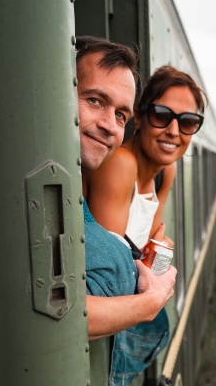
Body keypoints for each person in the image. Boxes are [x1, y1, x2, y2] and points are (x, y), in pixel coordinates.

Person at [76, 36, 177, 346]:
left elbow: (153, 239)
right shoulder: (119, 165)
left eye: (121, 115)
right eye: (94, 100)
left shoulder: (165, 172)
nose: (110, 125)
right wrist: (148, 301)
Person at [84, 66, 206, 250]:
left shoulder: (165, 172)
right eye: (160, 115)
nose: (173, 131)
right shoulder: (119, 163)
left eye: (187, 121)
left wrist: (150, 254)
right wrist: (152, 255)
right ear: (139, 117)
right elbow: (113, 268)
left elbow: (150, 249)